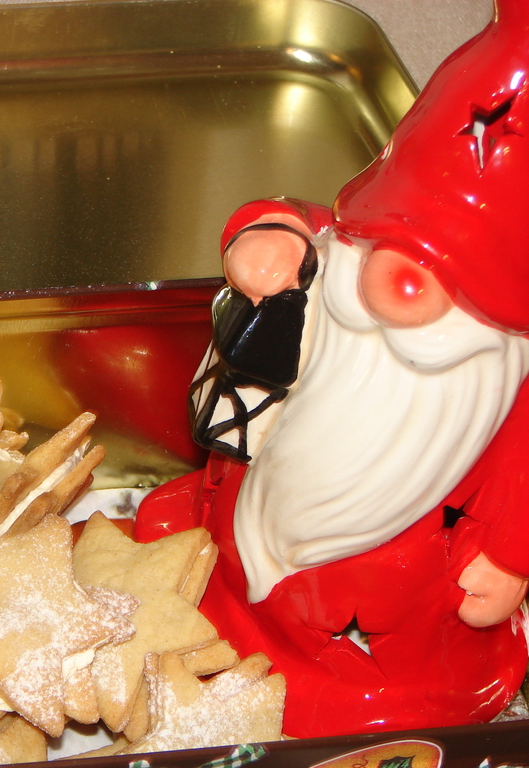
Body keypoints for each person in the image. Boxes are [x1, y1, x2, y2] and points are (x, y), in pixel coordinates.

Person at [134, 0, 529, 738]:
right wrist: (269, 234)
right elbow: (290, 218)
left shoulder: (502, 380)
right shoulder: (337, 260)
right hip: (237, 525)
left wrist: (509, 558)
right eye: (390, 244)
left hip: (396, 628)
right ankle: (226, 587)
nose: (389, 286)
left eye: (445, 279)